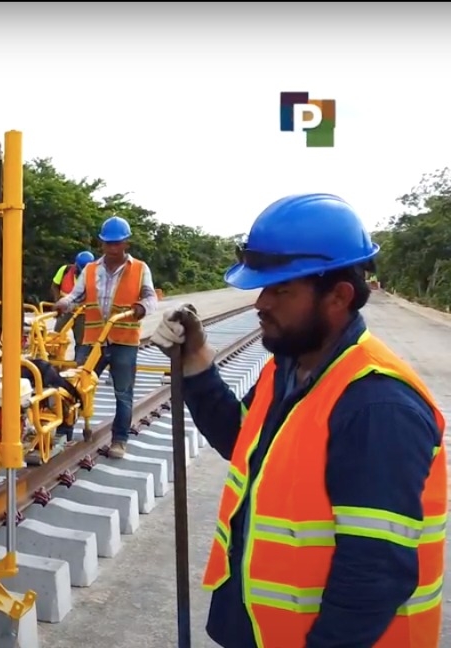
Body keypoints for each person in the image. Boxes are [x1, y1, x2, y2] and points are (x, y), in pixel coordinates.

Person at [149, 193, 445, 648]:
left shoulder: (377, 405)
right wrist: (196, 363)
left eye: (281, 289)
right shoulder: (289, 366)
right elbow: (243, 442)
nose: (261, 303)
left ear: (339, 296)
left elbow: (372, 576)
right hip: (261, 630)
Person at [54, 216, 157, 459]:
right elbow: (76, 296)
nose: (112, 248)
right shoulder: (90, 269)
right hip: (93, 340)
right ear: (101, 244)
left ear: (126, 244)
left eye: (117, 243)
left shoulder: (140, 269)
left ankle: (119, 440)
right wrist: (63, 302)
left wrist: (142, 307)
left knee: (123, 393)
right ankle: (63, 433)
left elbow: (151, 297)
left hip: (124, 340)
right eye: (107, 243)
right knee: (73, 387)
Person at [52, 250, 95, 333]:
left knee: (82, 342)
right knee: (56, 336)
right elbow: (55, 286)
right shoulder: (65, 270)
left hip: (82, 313)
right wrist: (58, 301)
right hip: (65, 310)